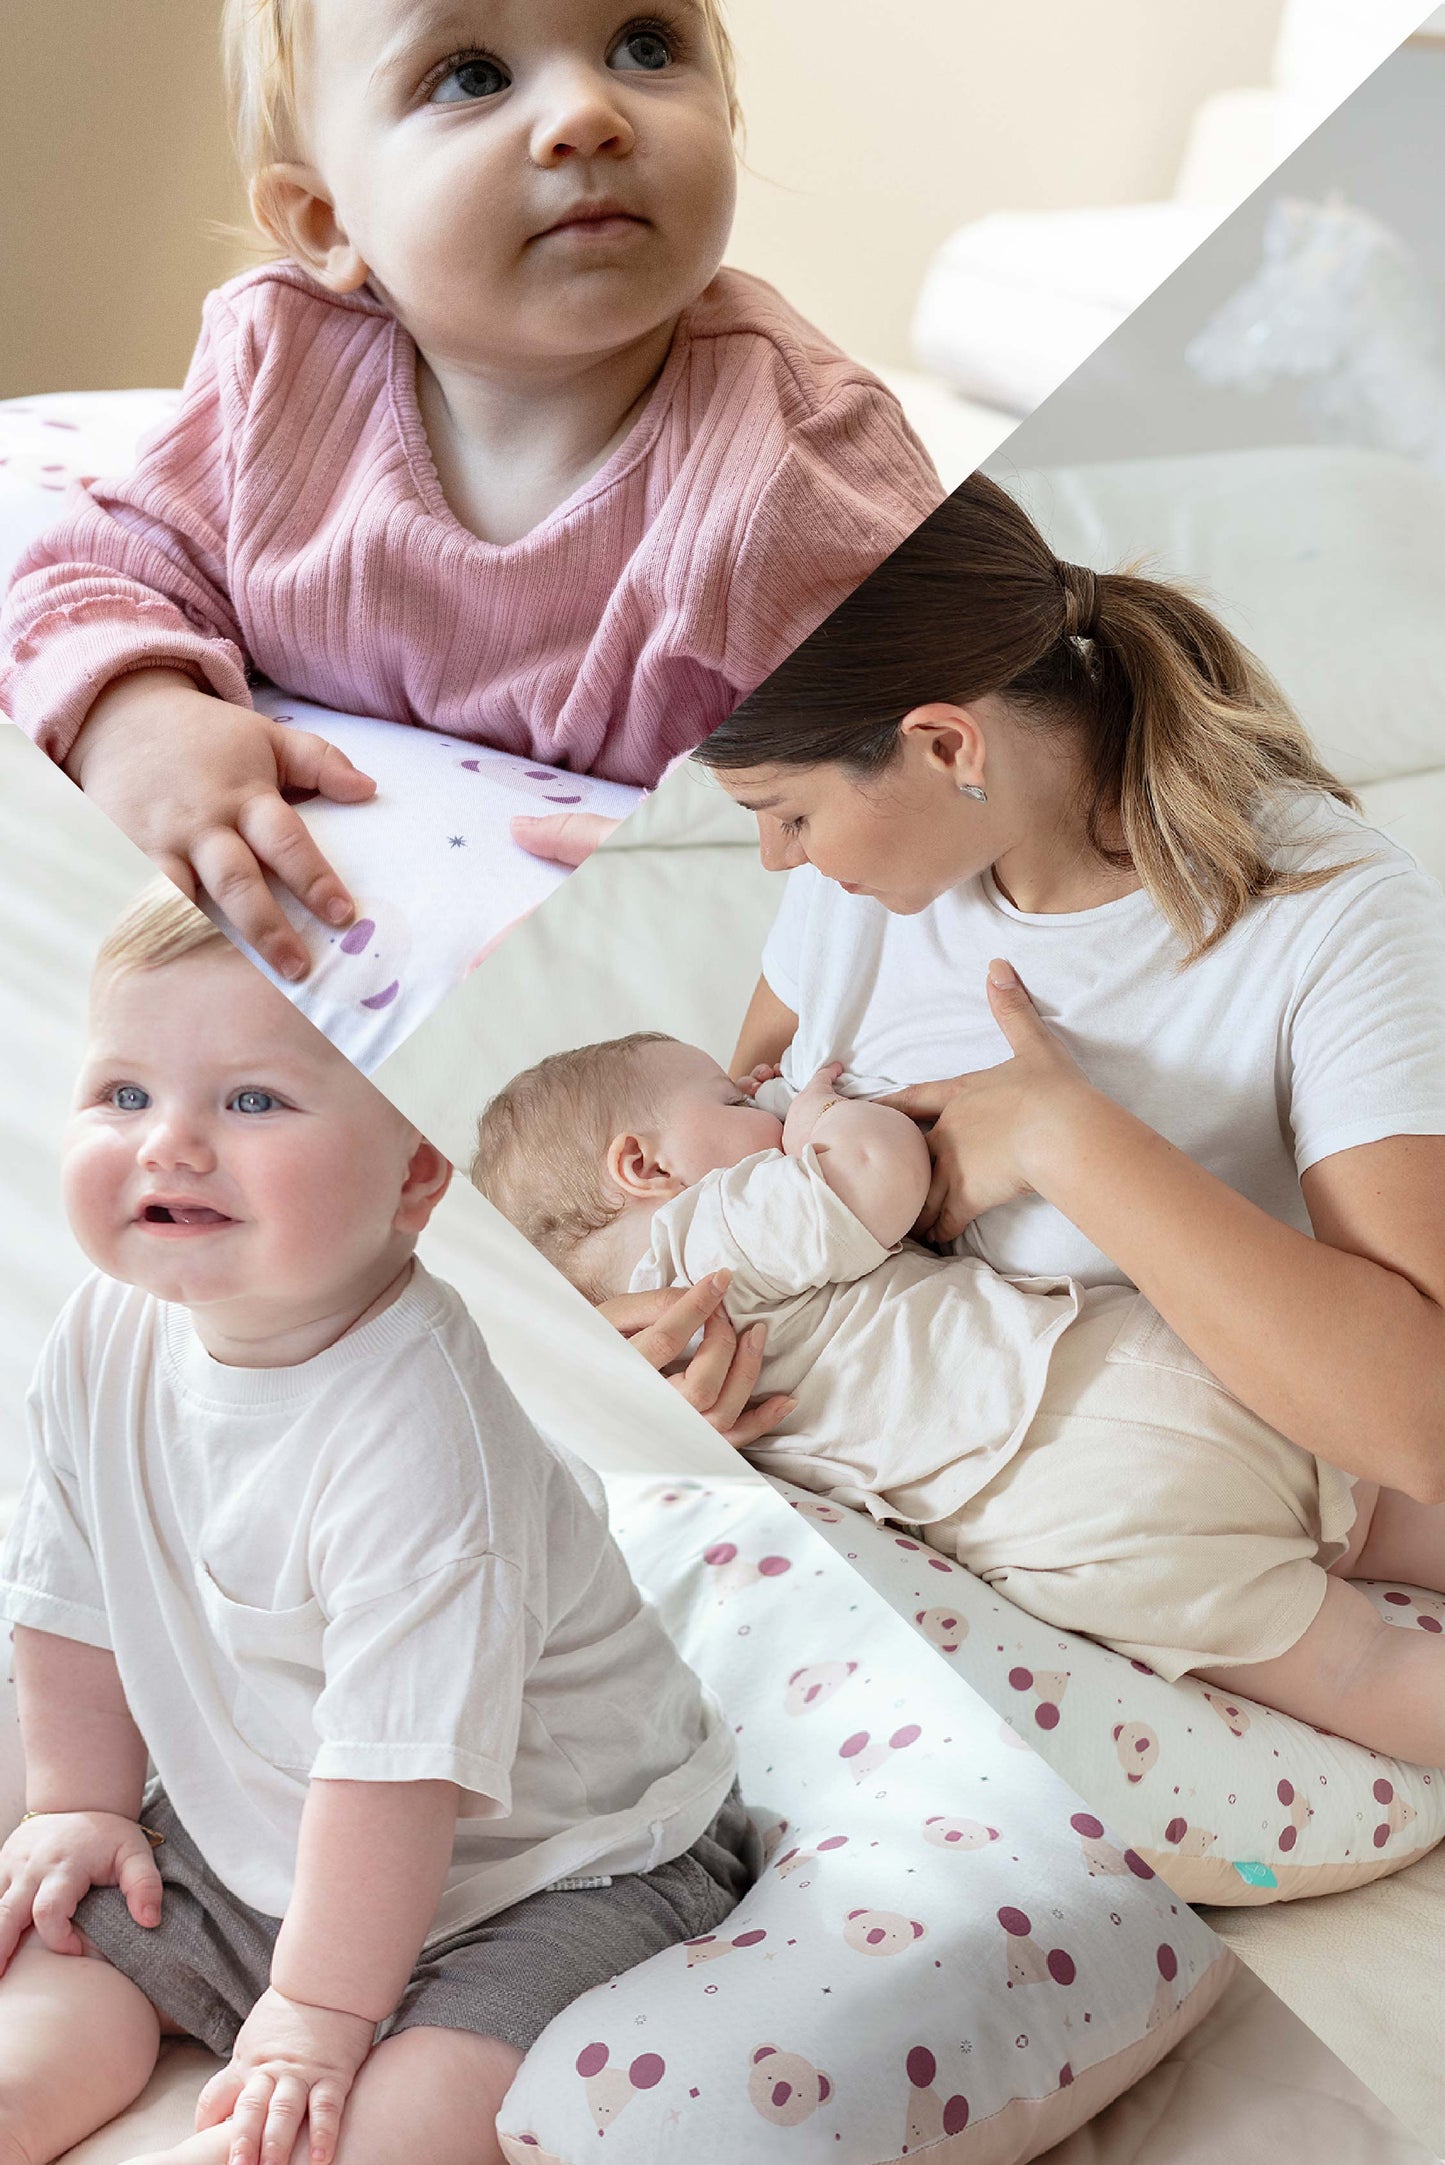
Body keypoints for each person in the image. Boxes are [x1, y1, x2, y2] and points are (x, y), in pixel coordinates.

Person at [0, 887, 752, 2165]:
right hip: (273, 1833)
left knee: (397, 2119)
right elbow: (70, 1589)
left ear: (412, 1174)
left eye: (251, 1101)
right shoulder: (102, 1332)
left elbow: (397, 1774)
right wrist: (79, 1800)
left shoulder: (421, 1435)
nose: (167, 1144)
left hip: (545, 1870)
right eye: (123, 1094)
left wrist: (311, 2017)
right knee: (62, 1966)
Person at [0, 0, 941, 984]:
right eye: (472, 77)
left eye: (645, 46)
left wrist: (748, 857)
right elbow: (96, 569)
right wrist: (139, 717)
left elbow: (945, 748)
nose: (587, 112)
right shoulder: (282, 371)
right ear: (325, 222)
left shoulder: (798, 453)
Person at [679, 470, 1445, 1589]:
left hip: (1221, 1511)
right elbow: (720, 1165)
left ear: (947, 746)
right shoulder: (858, 892)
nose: (778, 859)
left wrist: (1062, 1138)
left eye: (788, 812)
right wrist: (668, 1332)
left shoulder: (1327, 916)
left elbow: (1419, 1423)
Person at [474, 1030, 1445, 1769]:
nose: (763, 1098)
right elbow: (878, 1174)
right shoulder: (699, 1235)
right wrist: (819, 1121)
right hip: (1095, 1380)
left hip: (1067, 1540)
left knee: (1355, 1669)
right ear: (643, 1167)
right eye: (733, 1098)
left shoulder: (636, 1379)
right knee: (1381, 1509)